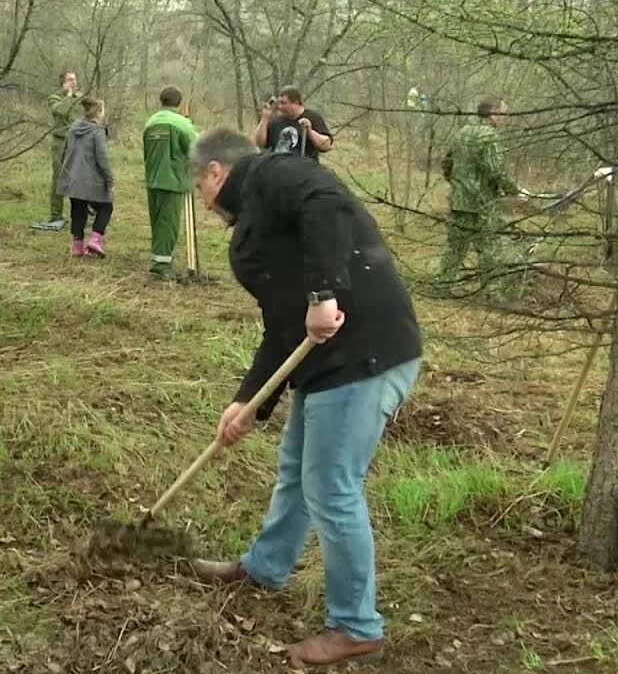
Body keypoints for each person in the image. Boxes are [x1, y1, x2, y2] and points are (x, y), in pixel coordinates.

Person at [186, 126, 424, 669]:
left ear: (216, 173)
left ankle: (356, 626)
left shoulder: (275, 174)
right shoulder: (257, 223)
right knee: (297, 470)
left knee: (331, 487)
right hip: (328, 363)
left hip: (366, 353)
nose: (204, 202)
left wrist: (324, 293)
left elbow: (325, 201)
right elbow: (281, 329)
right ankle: (265, 567)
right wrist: (249, 403)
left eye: (200, 189)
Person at [438, 97, 523, 291]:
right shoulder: (490, 136)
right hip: (483, 203)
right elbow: (495, 171)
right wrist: (514, 191)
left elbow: (447, 163)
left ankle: (442, 286)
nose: (505, 118)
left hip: (459, 201)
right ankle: (491, 292)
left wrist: (458, 184)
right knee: (490, 247)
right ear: (492, 113)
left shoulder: (462, 133)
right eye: (503, 113)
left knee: (456, 247)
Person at [141, 86, 198, 280]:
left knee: (157, 222)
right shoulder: (181, 123)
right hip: (173, 180)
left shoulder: (150, 122)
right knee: (168, 224)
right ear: (179, 103)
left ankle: (158, 258)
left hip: (153, 178)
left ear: (161, 101)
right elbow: (195, 149)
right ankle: (161, 265)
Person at [57, 96, 114, 257]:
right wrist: (109, 180)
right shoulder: (97, 131)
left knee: (77, 210)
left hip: (72, 178)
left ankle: (77, 247)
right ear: (99, 112)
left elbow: (65, 151)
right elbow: (102, 159)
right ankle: (95, 241)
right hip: (91, 180)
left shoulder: (73, 127)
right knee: (107, 206)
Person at [30, 70, 83, 231]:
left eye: (75, 79)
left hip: (78, 142)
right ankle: (56, 214)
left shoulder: (81, 98)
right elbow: (60, 111)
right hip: (60, 142)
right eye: (69, 80)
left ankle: (83, 214)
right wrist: (68, 96)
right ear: (62, 82)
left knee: (80, 177)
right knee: (59, 178)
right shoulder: (55, 98)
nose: (73, 82)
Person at [251, 85, 333, 162]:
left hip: (303, 170)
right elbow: (259, 143)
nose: (279, 107)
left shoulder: (313, 117)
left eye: (284, 103)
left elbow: (326, 146)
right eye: (278, 103)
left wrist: (310, 131)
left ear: (296, 102)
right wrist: (264, 118)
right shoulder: (276, 121)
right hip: (277, 169)